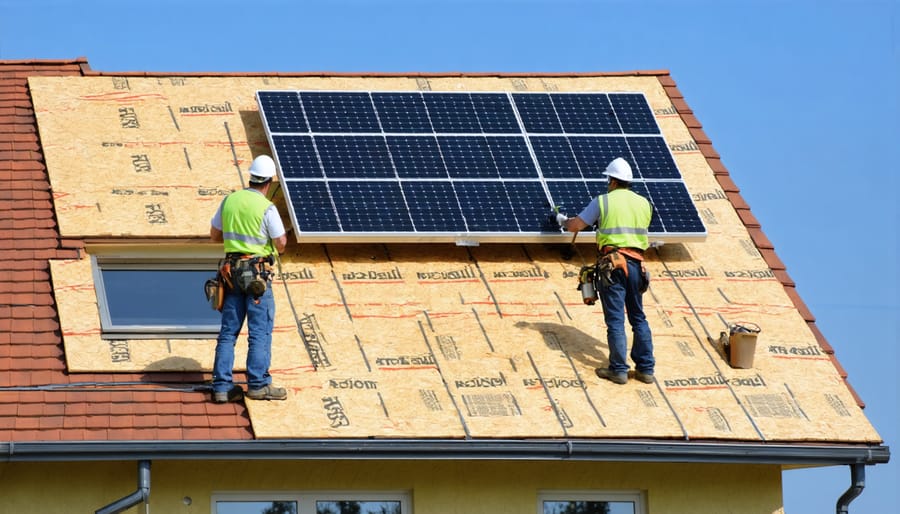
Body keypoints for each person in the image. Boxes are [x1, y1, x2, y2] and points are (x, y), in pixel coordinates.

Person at [556, 157, 655, 385]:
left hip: (613, 265)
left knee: (616, 320)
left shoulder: (603, 202)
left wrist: (562, 220)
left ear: (611, 180)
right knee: (639, 317)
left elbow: (576, 226)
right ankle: (646, 369)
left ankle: (619, 370)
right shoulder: (645, 204)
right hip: (638, 265)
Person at [209, 154, 288, 403]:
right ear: (269, 181)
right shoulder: (266, 207)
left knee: (228, 332)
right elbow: (281, 242)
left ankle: (221, 387)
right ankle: (258, 385)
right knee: (259, 332)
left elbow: (214, 235)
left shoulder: (229, 200)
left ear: (252, 177)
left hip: (231, 274)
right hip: (256, 278)